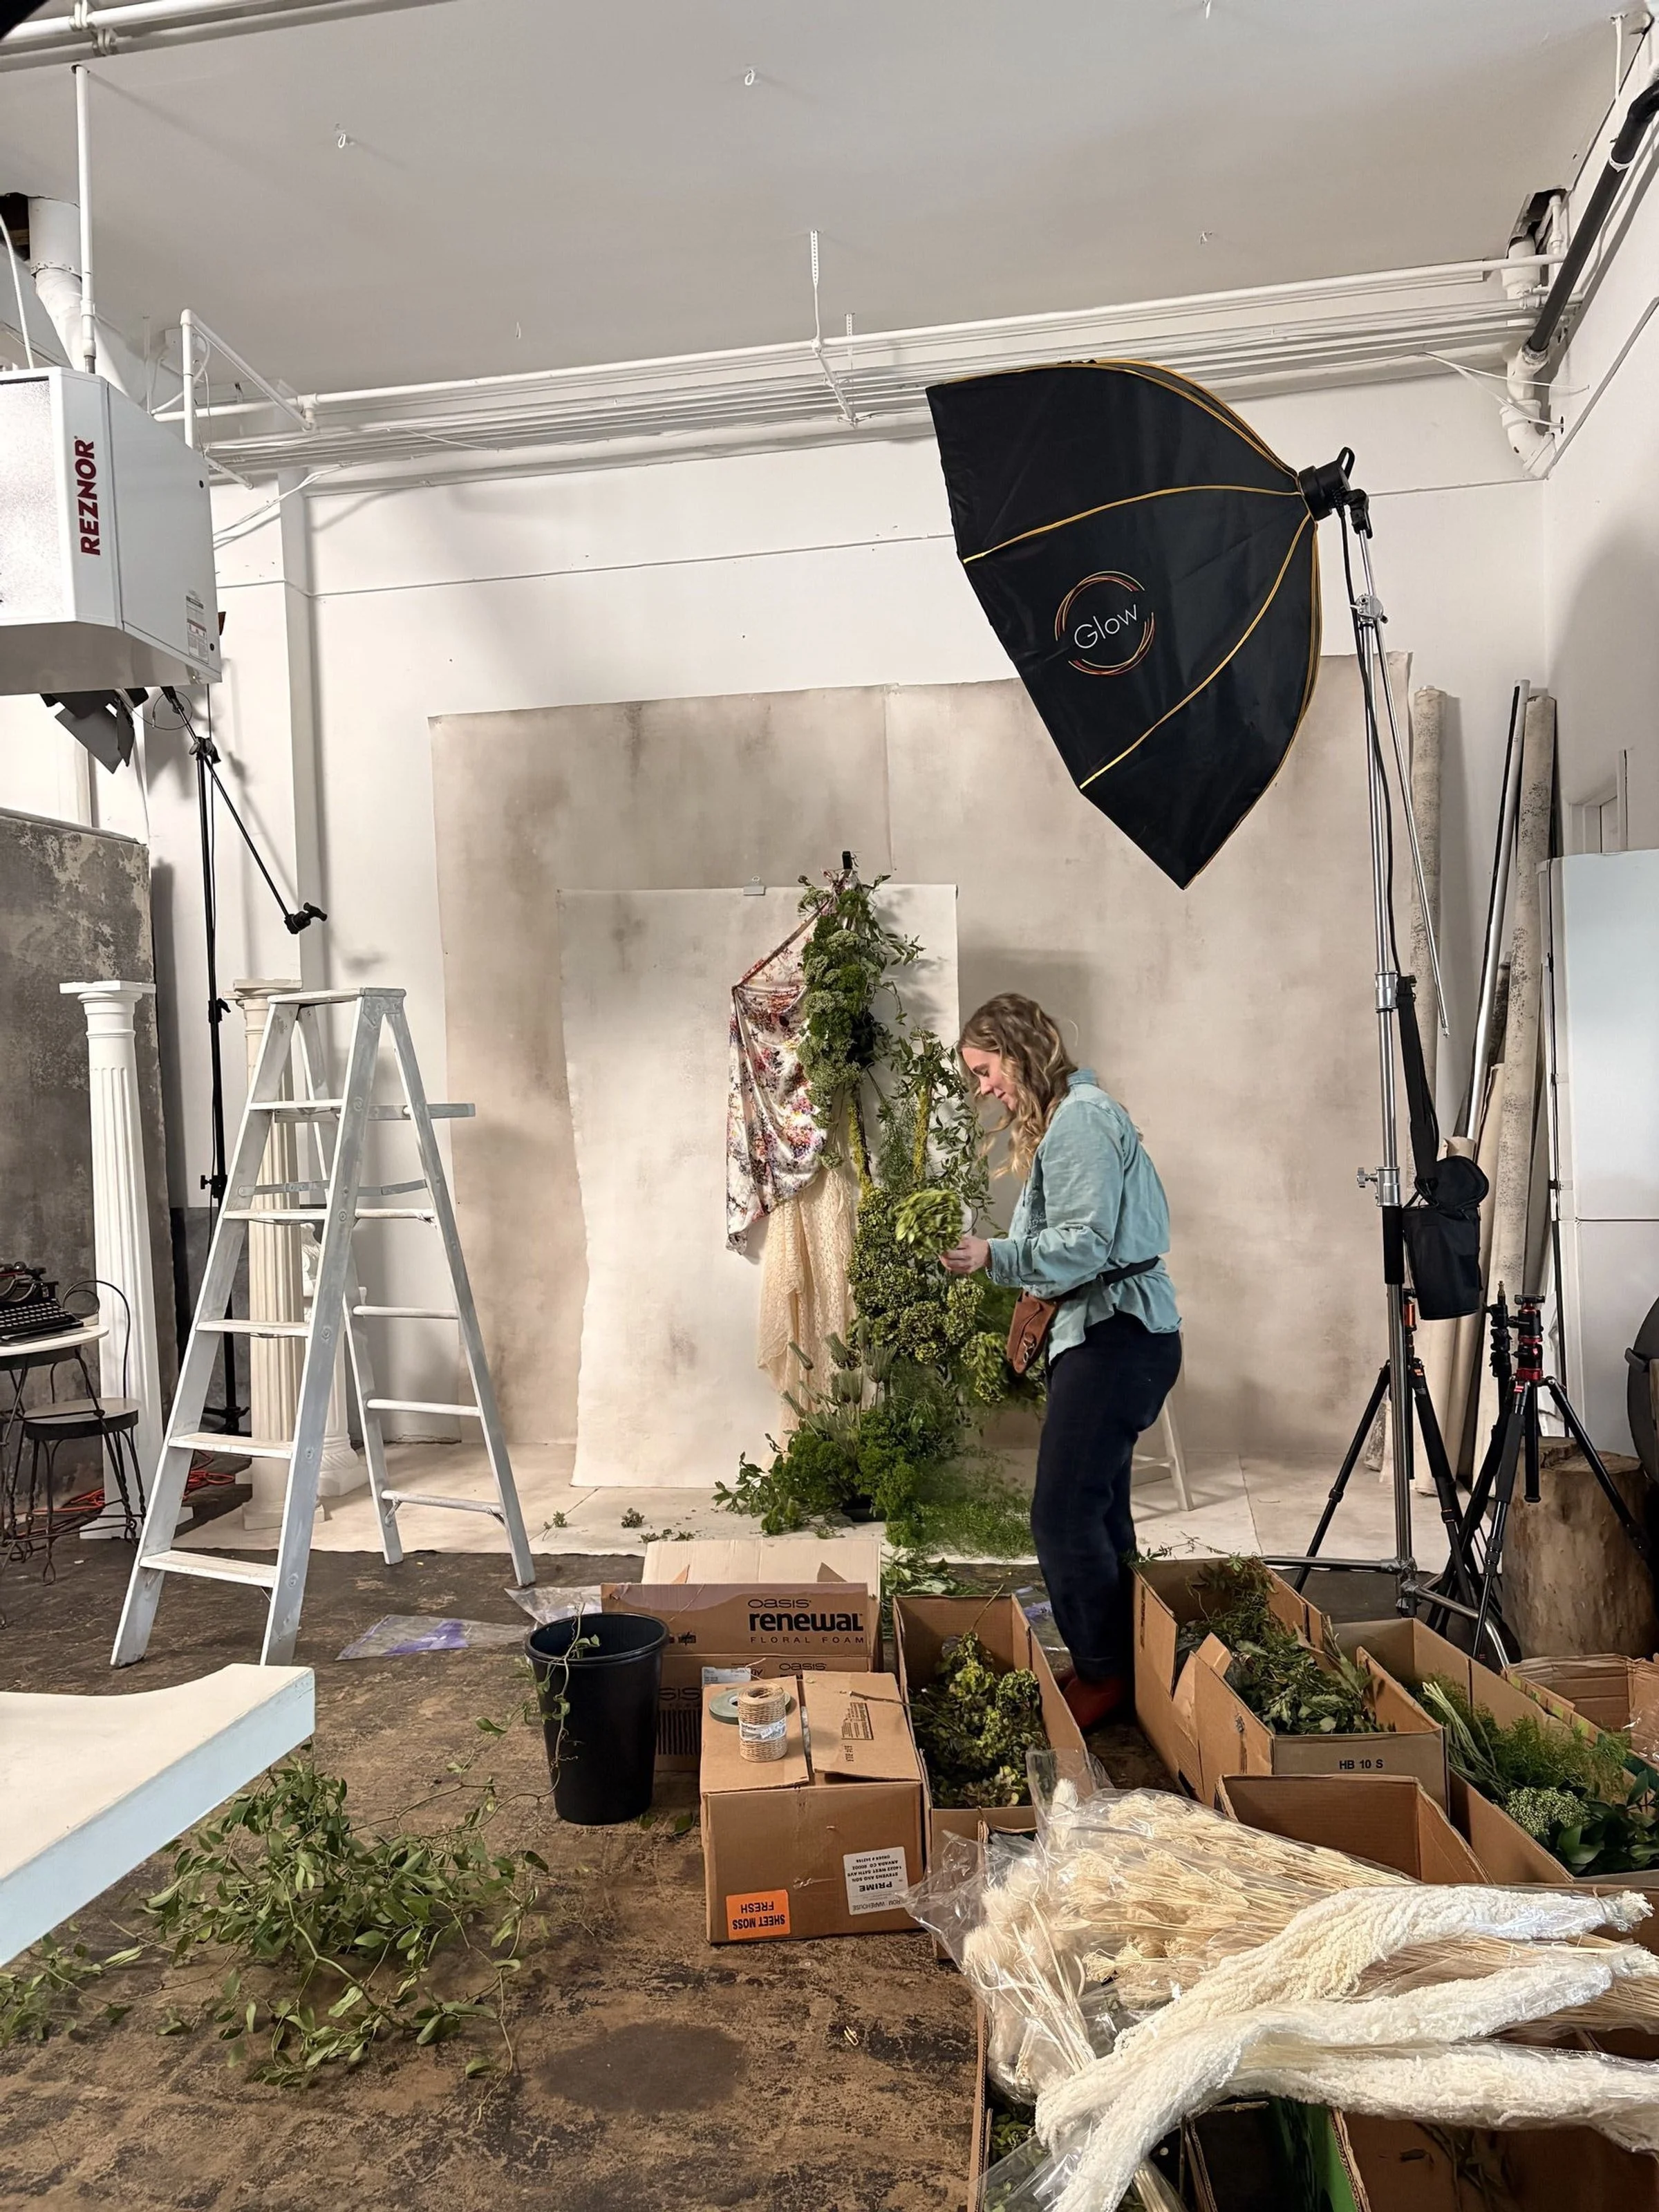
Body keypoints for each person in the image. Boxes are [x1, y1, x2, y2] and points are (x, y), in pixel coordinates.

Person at [941, 993, 1181, 1731]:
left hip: (1117, 1338)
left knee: (1062, 1513)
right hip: (1117, 1335)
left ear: (1015, 1051)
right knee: (1099, 1508)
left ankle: (1107, 1673)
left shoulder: (1079, 1121)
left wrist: (994, 1255)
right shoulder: (1076, 1115)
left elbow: (1083, 1243)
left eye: (985, 1069)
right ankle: (1120, 1657)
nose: (983, 1087)